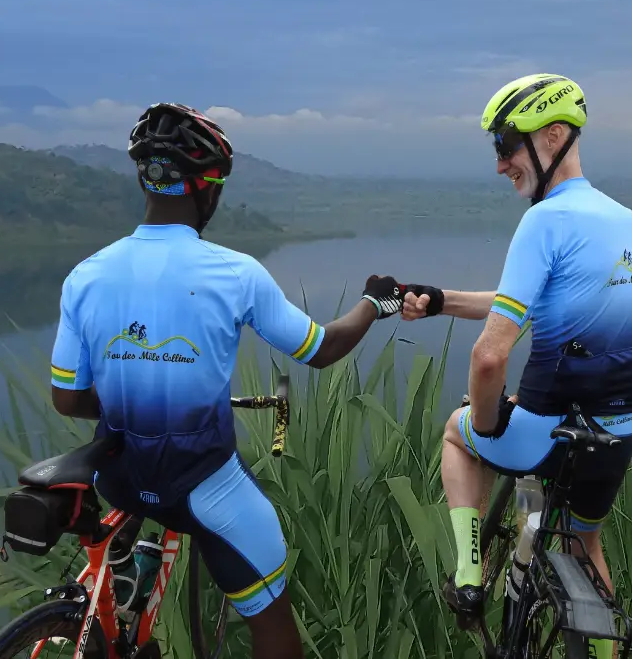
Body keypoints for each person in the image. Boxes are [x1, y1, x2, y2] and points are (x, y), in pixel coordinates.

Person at [46, 103, 405, 659]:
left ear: (146, 180)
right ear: (208, 189)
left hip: (118, 475)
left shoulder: (85, 275)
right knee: (271, 619)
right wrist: (373, 304)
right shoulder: (236, 273)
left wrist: (129, 405)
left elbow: (67, 398)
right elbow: (320, 348)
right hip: (203, 487)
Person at [385, 74, 632, 659]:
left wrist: (484, 423)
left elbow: (490, 355)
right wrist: (441, 300)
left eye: (506, 144)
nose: (500, 162)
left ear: (553, 136)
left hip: (550, 424)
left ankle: (471, 575)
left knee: (459, 436)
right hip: (619, 424)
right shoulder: (625, 221)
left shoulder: (544, 221)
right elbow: (535, 303)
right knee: (585, 538)